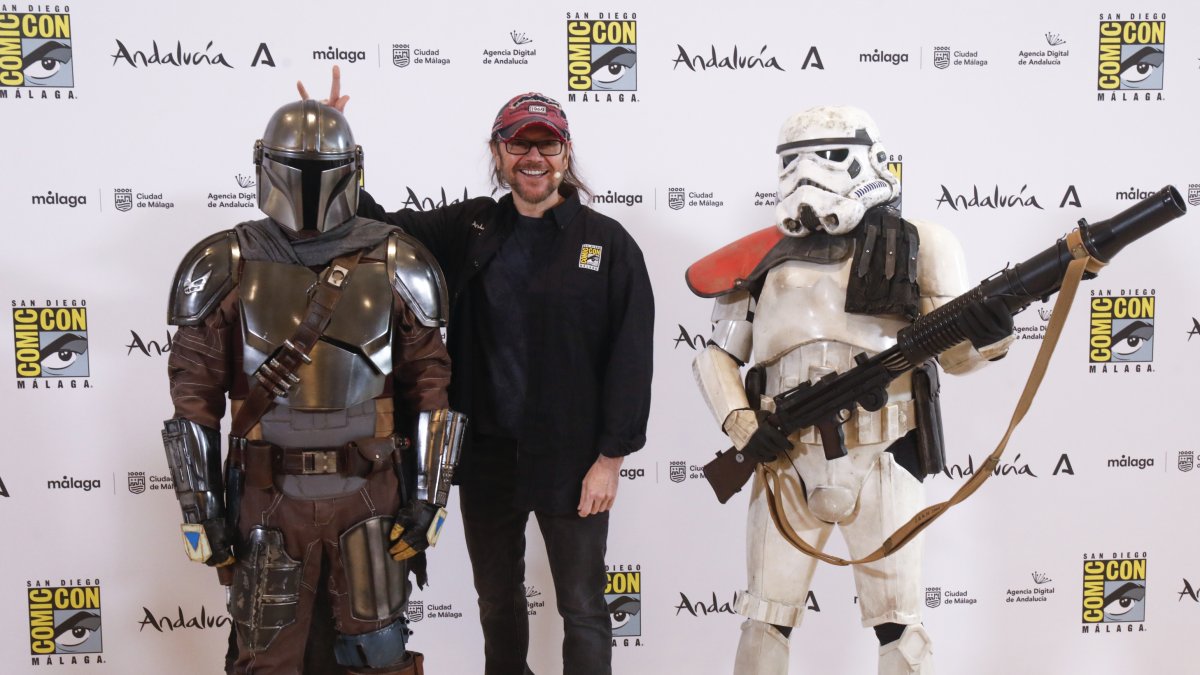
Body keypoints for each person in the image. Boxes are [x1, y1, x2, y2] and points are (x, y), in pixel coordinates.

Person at [299, 68, 655, 675]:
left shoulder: (609, 243)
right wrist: (333, 144)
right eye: (519, 143)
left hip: (573, 459)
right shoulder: (472, 228)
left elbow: (631, 357)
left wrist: (609, 461)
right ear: (498, 153)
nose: (533, 157)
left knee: (584, 608)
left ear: (566, 153)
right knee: (497, 602)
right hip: (486, 455)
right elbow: (378, 222)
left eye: (546, 144)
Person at [686, 106, 1013, 674]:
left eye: (830, 155)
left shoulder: (923, 244)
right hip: (784, 456)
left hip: (884, 451)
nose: (809, 173)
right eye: (794, 160)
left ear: (867, 157)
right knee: (765, 619)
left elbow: (958, 358)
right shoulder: (758, 256)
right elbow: (716, 355)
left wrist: (992, 332)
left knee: (899, 624)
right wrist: (743, 425)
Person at [162, 99, 465, 675]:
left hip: (369, 492)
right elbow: (192, 399)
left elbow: (431, 386)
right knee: (268, 658)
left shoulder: (399, 260)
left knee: (378, 653)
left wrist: (429, 498)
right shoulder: (225, 262)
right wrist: (201, 508)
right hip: (266, 497)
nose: (307, 186)